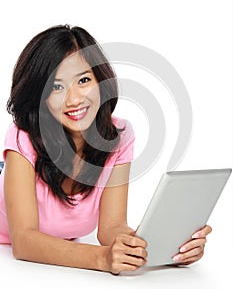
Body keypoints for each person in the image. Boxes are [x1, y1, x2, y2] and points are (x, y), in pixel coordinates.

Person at [0, 25, 211, 274]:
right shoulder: (23, 137)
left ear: (101, 81)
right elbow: (24, 242)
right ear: (40, 97)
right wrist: (101, 259)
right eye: (57, 87)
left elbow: (111, 228)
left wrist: (169, 248)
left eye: (84, 80)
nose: (75, 99)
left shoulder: (118, 138)